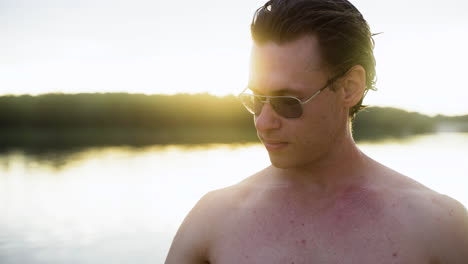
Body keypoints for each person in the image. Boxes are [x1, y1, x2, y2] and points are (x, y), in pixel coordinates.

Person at [165, 0, 468, 263]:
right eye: (257, 100)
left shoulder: (437, 226)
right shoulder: (212, 220)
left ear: (349, 87)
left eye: (287, 102)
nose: (263, 122)